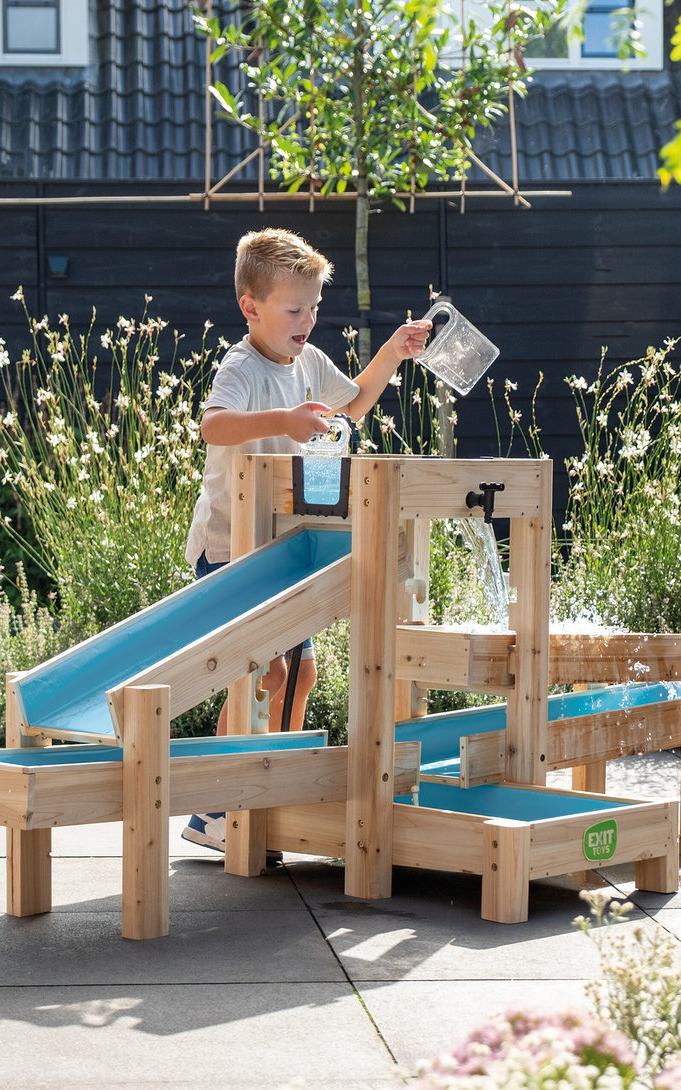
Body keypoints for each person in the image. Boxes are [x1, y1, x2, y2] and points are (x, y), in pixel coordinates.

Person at [181, 227, 431, 852]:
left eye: (314, 306)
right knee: (266, 672)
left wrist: (395, 353)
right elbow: (212, 426)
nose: (308, 319)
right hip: (231, 551)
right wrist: (284, 421)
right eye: (295, 309)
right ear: (251, 307)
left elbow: (356, 404)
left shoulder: (312, 363)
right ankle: (217, 804)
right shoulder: (242, 367)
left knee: (300, 674)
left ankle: (271, 790)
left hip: (284, 550)